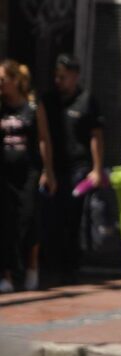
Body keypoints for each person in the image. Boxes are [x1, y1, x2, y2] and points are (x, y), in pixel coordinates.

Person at [40, 54, 104, 284]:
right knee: (51, 217)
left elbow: (96, 136)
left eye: (64, 77)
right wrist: (45, 170)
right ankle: (51, 265)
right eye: (56, 77)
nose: (59, 81)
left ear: (75, 77)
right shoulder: (47, 100)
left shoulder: (87, 100)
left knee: (75, 218)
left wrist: (96, 169)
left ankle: (72, 266)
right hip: (54, 167)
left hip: (79, 168)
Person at [0, 60, 56, 292]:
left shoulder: (33, 106)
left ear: (15, 81)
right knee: (5, 221)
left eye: (3, 80)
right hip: (4, 173)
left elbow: (44, 139)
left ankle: (32, 267)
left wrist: (48, 171)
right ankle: (7, 274)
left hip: (28, 172)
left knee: (28, 217)